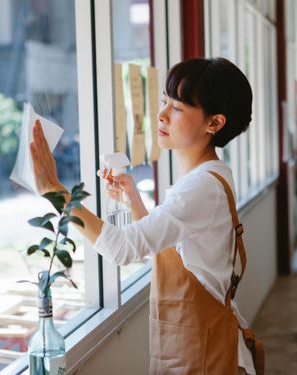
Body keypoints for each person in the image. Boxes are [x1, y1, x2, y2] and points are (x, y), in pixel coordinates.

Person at [31, 57, 256, 374]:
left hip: (202, 355)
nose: (162, 115)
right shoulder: (213, 174)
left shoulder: (200, 187)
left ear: (214, 123)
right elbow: (174, 251)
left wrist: (54, 190)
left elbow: (122, 249)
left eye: (177, 108)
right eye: (165, 102)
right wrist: (133, 199)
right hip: (202, 344)